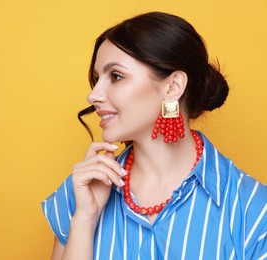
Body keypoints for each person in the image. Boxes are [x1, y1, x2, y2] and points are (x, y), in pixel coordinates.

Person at [41, 11, 267, 259]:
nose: (93, 95)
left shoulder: (253, 209)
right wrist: (84, 219)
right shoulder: (80, 192)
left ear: (172, 87)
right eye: (96, 79)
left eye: (115, 76)